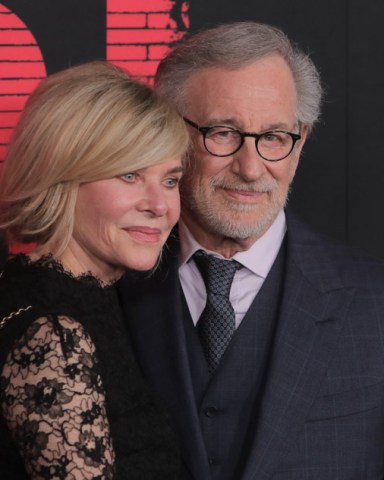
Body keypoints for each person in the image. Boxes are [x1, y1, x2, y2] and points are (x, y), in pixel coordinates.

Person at [118, 21, 384, 480]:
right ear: (168, 134)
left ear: (298, 143)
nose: (251, 166)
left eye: (275, 138)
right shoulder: (104, 287)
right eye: (223, 132)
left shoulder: (375, 300)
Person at [0, 61, 189, 479]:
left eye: (171, 180)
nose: (160, 206)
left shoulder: (104, 301)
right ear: (61, 176)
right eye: (129, 175)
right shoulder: (54, 335)